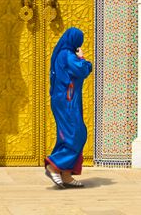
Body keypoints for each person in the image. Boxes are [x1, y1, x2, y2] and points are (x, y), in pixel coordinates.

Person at [44, 27, 93, 189]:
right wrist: (83, 59)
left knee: (67, 135)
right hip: (67, 101)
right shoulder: (67, 55)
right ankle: (54, 165)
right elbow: (82, 69)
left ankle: (66, 175)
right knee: (77, 134)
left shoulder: (62, 54)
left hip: (66, 100)